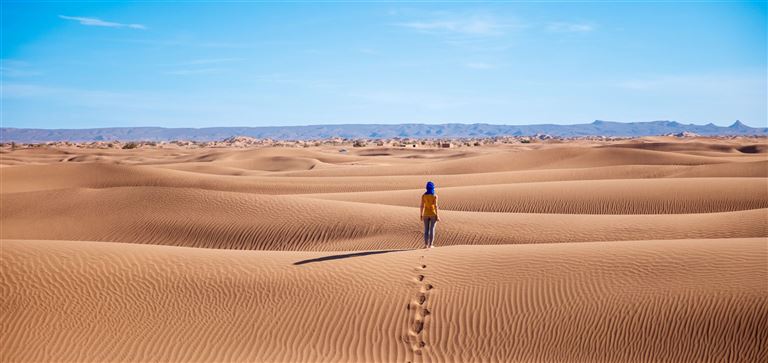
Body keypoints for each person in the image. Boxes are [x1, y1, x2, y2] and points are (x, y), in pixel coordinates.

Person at [420, 181, 439, 249]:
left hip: (425, 214)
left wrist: (421, 215)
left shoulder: (423, 196)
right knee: (432, 229)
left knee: (426, 230)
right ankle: (431, 245)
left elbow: (422, 206)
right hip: (433, 213)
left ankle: (425, 245)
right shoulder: (435, 196)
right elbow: (436, 206)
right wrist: (437, 215)